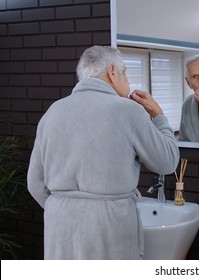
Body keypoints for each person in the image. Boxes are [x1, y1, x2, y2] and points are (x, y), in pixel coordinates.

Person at [27, 45, 180, 260]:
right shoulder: (129, 111)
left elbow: (35, 184)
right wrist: (159, 115)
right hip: (110, 226)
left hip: (60, 228)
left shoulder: (53, 112)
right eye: (125, 71)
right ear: (112, 72)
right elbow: (167, 162)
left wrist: (68, 208)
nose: (127, 79)